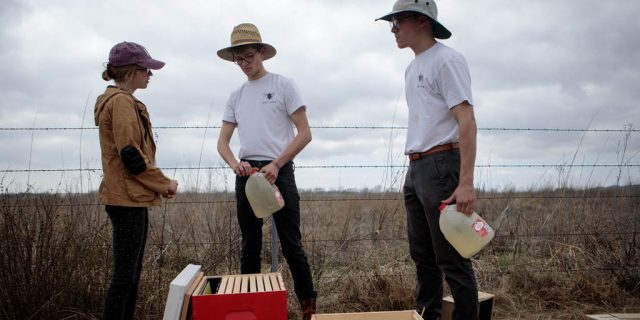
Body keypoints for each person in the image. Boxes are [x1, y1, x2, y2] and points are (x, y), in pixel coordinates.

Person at [377, 1, 479, 319]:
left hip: (441, 165)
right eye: (390, 23)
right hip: (417, 167)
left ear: (422, 21)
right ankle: (427, 316)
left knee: (451, 258)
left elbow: (466, 119)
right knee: (422, 255)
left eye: (398, 21)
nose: (392, 28)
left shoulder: (447, 61)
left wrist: (465, 183)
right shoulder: (412, 67)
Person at [216, 23, 317, 320]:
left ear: (261, 51)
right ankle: (250, 309)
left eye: (249, 56)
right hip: (246, 176)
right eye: (239, 60)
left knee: (291, 244)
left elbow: (305, 133)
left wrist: (277, 164)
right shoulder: (235, 96)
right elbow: (222, 143)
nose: (246, 64)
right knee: (250, 244)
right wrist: (236, 164)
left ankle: (308, 308)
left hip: (279, 171)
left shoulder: (283, 85)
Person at [95, 41, 179, 320]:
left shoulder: (122, 100)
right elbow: (131, 156)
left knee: (129, 279)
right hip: (126, 199)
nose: (150, 74)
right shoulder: (120, 103)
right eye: (146, 69)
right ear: (131, 71)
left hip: (131, 197)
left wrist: (154, 186)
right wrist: (164, 183)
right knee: (123, 281)